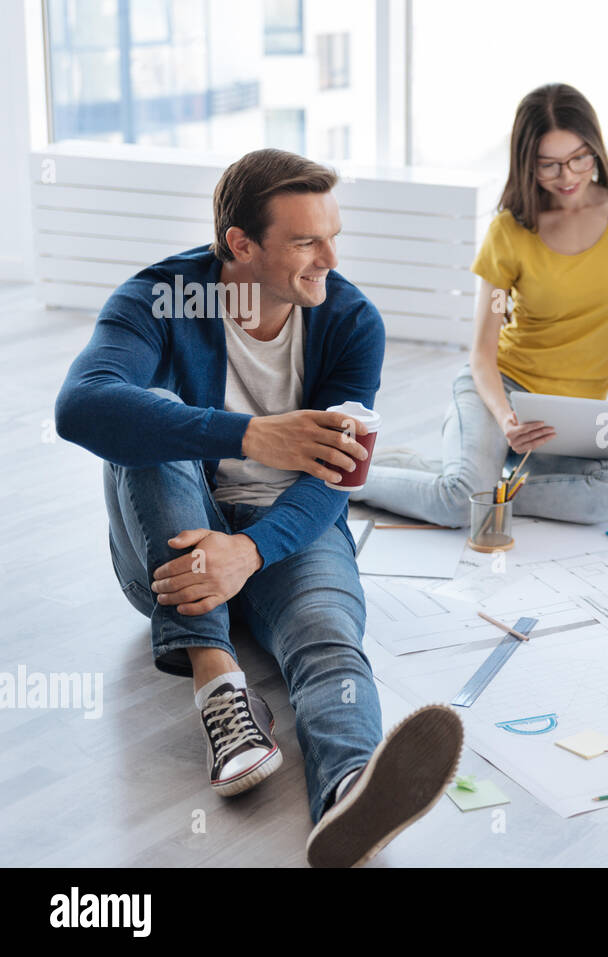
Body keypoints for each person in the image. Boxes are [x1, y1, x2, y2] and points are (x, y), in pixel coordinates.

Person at [54, 149, 464, 868]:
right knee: (150, 422)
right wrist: (247, 431)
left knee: (329, 640)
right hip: (171, 545)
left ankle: (349, 795)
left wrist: (250, 551)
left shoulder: (351, 320)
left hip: (284, 534)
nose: (329, 258)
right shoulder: (163, 298)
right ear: (240, 243)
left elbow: (334, 474)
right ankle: (220, 689)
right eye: (307, 240)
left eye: (333, 235)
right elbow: (80, 407)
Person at [352, 83, 608, 527]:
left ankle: (470, 484)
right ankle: (342, 482)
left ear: (596, 148)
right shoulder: (508, 233)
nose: (569, 175)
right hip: (500, 392)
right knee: (459, 506)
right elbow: (481, 353)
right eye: (550, 165)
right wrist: (506, 419)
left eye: (580, 157)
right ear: (526, 164)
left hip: (565, 422)